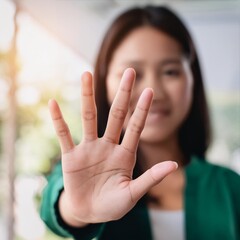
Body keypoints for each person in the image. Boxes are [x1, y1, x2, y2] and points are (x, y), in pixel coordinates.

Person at [40, 5, 240, 240]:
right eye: (132, 73)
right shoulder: (84, 173)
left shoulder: (230, 187)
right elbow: (57, 203)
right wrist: (76, 209)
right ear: (105, 84)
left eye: (170, 72)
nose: (152, 91)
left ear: (192, 80)